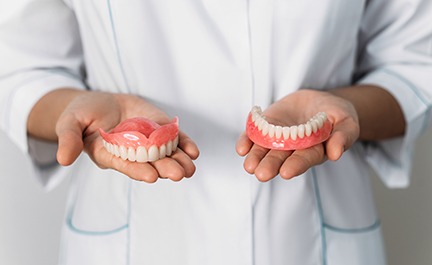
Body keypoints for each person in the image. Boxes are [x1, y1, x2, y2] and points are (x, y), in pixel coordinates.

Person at [0, 0, 431, 264]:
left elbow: (416, 63)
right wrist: (71, 112)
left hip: (306, 242)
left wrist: (349, 109)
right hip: (134, 243)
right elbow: (22, 67)